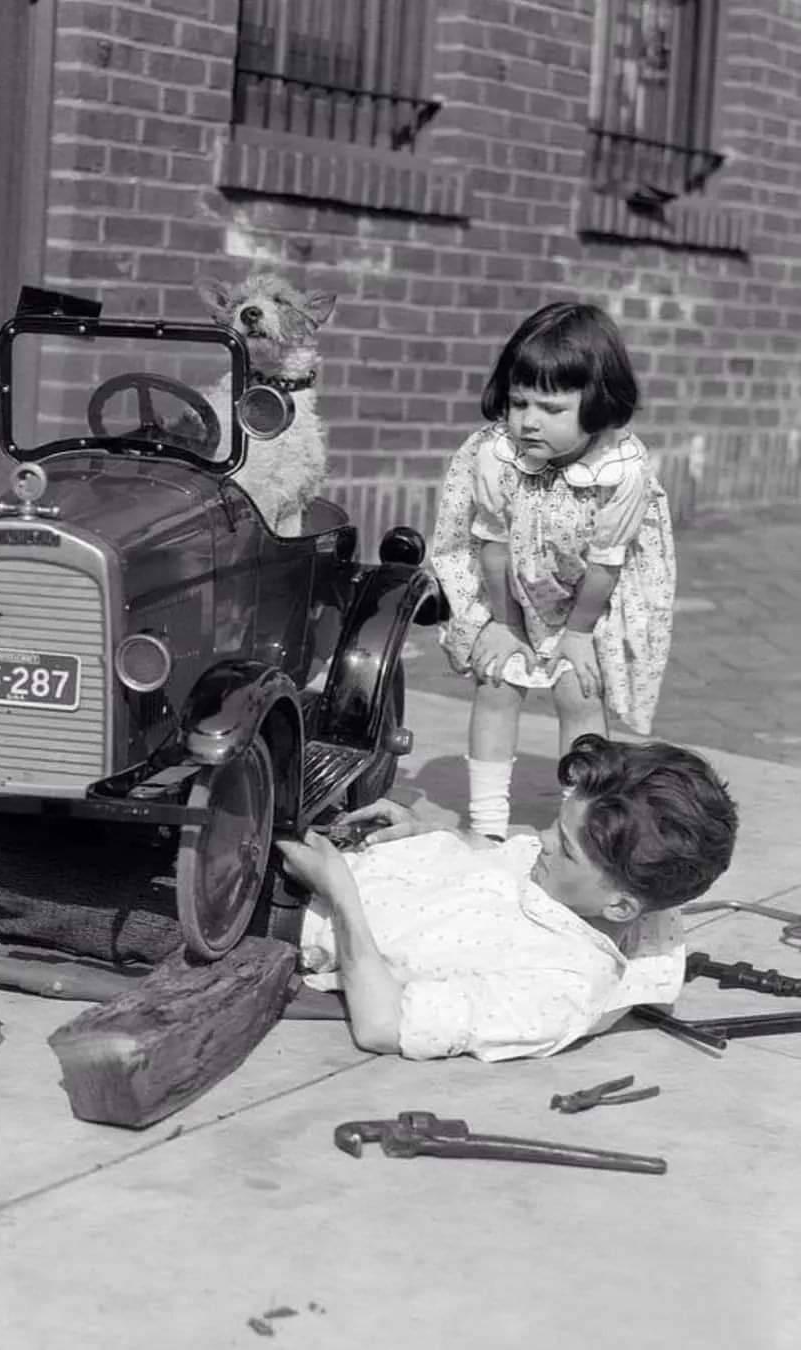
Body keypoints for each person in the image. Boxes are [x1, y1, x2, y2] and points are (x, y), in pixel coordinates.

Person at [276, 734, 737, 1063]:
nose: (542, 839)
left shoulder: (560, 988)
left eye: (566, 847)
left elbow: (383, 1026)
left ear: (619, 907)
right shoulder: (577, 886)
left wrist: (340, 893)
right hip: (324, 861)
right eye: (556, 826)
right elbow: (496, 860)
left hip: (285, 912)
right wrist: (426, 832)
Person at [431, 301, 675, 840]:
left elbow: (609, 562)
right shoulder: (498, 454)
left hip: (590, 594)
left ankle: (577, 828)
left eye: (551, 408)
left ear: (598, 405)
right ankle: (487, 826)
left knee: (579, 693)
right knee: (495, 679)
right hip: (511, 584)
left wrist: (578, 634)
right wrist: (505, 623)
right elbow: (491, 542)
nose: (528, 421)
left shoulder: (619, 471)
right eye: (519, 403)